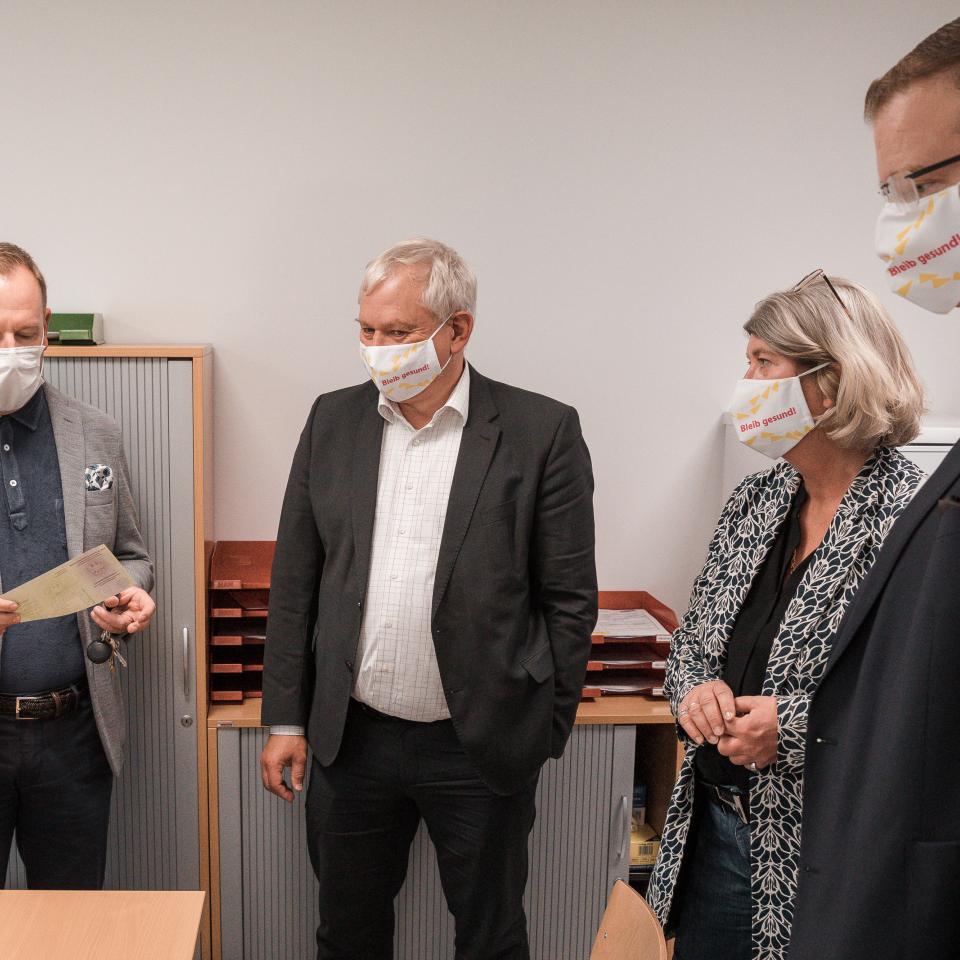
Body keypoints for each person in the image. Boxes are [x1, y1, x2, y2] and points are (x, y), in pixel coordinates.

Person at [259, 237, 597, 960]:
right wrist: (286, 716)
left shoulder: (540, 432)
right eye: (367, 330)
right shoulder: (332, 421)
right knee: (346, 935)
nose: (378, 350)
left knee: (491, 938)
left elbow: (569, 599)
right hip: (353, 739)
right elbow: (295, 581)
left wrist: (544, 726)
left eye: (399, 332)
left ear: (458, 330)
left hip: (479, 743)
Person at [646, 271, 925, 960]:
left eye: (763, 362)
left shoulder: (914, 524)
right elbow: (691, 649)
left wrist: (796, 727)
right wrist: (697, 693)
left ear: (831, 381)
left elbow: (924, 705)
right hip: (714, 831)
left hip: (829, 854)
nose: (745, 384)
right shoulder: (755, 501)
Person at [788, 18, 960, 960]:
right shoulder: (758, 504)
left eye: (922, 184)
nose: (901, 220)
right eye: (889, 192)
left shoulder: (904, 495)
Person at [0, 242, 155, 889]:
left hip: (73, 735)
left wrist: (129, 595)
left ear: (47, 327)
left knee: (72, 924)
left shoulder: (96, 433)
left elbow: (130, 556)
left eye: (24, 333)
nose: (10, 350)